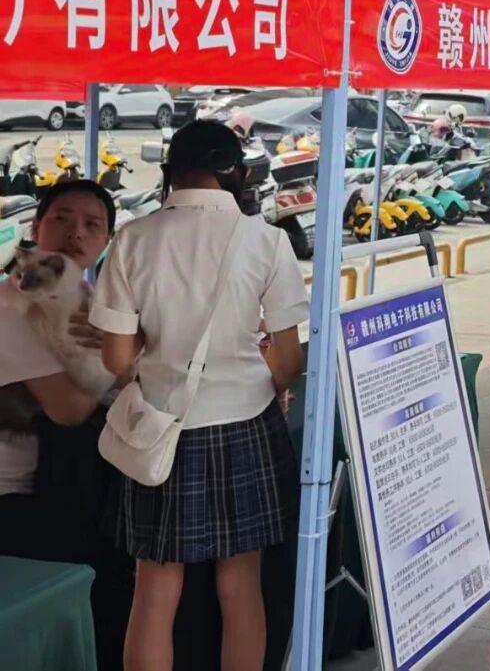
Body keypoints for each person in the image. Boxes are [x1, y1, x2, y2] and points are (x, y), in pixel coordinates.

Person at [92, 120, 308, 671]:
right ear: (239, 173)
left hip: (160, 428)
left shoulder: (133, 239)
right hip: (247, 424)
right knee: (241, 585)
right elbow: (288, 361)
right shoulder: (267, 241)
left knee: (154, 590)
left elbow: (115, 359)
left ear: (169, 171)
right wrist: (270, 381)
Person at [0, 180, 134, 671]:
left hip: (73, 487)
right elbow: (70, 409)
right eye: (61, 218)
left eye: (91, 224)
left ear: (106, 240)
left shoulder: (91, 301)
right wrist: (122, 360)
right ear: (37, 227)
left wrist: (122, 357)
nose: (76, 232)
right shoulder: (10, 308)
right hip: (19, 500)